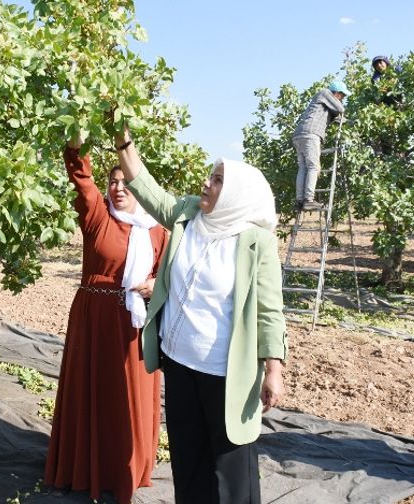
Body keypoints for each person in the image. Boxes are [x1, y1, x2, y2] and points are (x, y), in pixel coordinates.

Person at [113, 128, 287, 504]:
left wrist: (273, 368)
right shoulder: (189, 215)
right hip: (180, 362)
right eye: (211, 176)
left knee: (230, 471)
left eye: (218, 180)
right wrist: (123, 142)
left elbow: (270, 308)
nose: (206, 183)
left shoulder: (255, 240)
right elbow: (147, 189)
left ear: (238, 194)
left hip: (225, 372)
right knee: (188, 461)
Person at [44, 137, 169, 503]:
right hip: (94, 320)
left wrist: (154, 285)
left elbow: (167, 274)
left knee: (127, 395)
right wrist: (76, 144)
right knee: (93, 390)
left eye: (125, 182)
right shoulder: (98, 217)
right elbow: (81, 177)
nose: (116, 188)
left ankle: (126, 468)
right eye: (112, 182)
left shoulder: (157, 230)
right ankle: (86, 466)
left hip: (133, 325)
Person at [292, 81, 349, 211]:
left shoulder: (322, 105)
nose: (343, 99)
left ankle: (299, 201)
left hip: (299, 135)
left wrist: (350, 122)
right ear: (337, 93)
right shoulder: (325, 92)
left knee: (303, 168)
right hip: (311, 134)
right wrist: (340, 110)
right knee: (314, 167)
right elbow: (341, 109)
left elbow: (337, 118)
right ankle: (308, 200)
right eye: (342, 96)